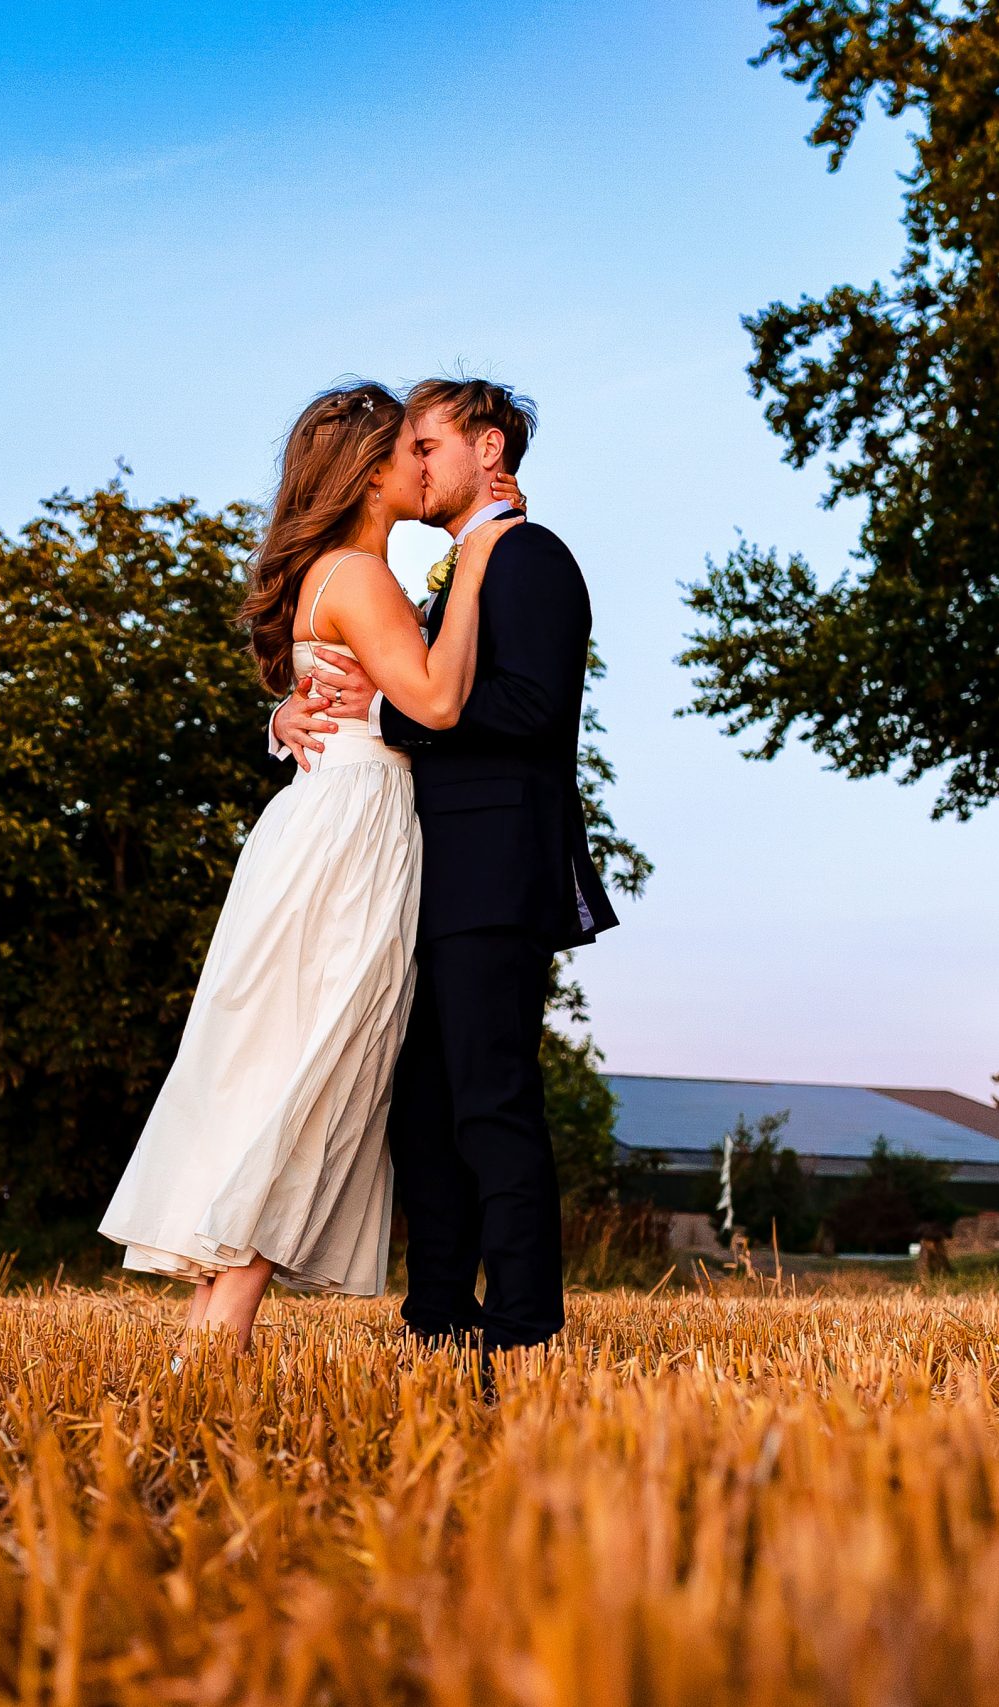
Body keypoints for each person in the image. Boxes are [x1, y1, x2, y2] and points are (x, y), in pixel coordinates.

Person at [97, 381, 518, 1351]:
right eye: (411, 451)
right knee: (321, 1062)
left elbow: (354, 695)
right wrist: (481, 557)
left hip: (315, 820)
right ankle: (230, 1320)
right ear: (372, 472)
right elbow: (437, 703)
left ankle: (214, 1320)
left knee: (281, 1062)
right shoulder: (362, 579)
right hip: (355, 830)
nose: (427, 464)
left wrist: (281, 715)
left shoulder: (331, 578)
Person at [274, 377, 618, 1359]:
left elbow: (531, 710)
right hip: (415, 870)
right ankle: (435, 1315)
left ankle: (519, 1330)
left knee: (490, 1099)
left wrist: (383, 719)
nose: (410, 465)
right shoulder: (440, 581)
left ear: (490, 451)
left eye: (426, 445)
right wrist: (291, 715)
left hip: (491, 871)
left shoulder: (529, 558)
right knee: (421, 1107)